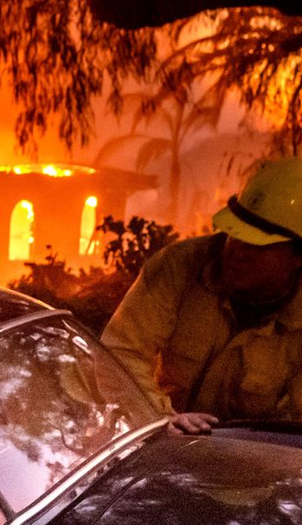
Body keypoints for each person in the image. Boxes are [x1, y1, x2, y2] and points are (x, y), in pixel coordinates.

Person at [102, 157, 302, 435]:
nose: (238, 251)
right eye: (235, 234)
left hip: (245, 462)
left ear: (297, 258)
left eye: (258, 245)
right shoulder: (178, 267)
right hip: (154, 442)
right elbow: (120, 353)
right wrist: (158, 417)